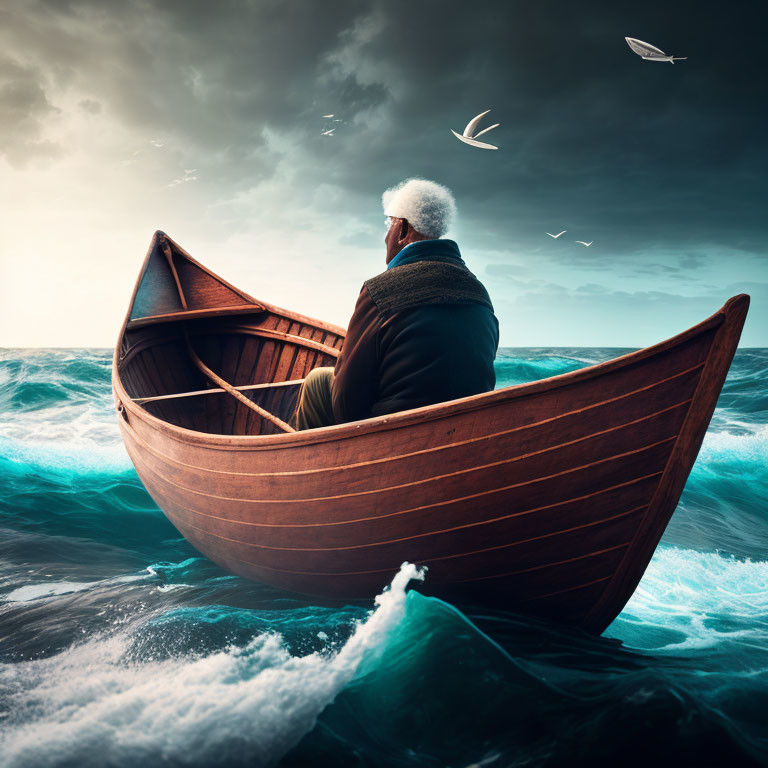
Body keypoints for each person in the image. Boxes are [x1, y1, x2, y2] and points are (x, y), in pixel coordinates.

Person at [292, 178, 499, 430]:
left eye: (388, 223)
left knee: (316, 380)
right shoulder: (478, 291)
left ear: (402, 228)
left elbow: (346, 406)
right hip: (464, 427)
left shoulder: (380, 290)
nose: (385, 235)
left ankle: (314, 465)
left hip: (394, 432)